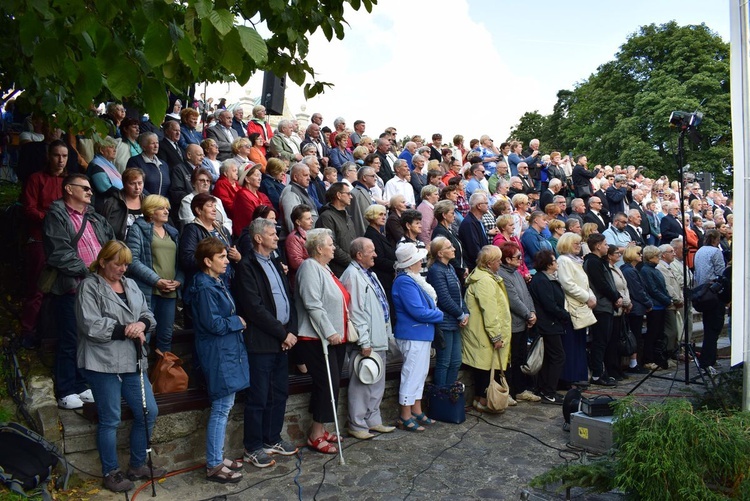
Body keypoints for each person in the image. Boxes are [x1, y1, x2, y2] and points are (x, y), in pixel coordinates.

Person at [75, 241, 165, 492]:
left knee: (149, 412)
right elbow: (90, 324)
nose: (123, 268)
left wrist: (143, 325)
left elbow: (149, 315)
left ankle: (137, 465)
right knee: (110, 418)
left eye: (126, 263)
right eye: (118, 263)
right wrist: (127, 329)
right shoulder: (89, 287)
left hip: (132, 359)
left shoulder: (132, 285)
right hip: (101, 361)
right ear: (103, 261)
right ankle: (111, 472)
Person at [232, 219, 299, 467]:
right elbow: (254, 308)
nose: (276, 237)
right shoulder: (246, 267)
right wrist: (282, 334)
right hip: (261, 343)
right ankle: (253, 446)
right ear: (258, 238)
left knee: (279, 393)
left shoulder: (273, 262)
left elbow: (288, 299)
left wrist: (290, 331)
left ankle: (272, 439)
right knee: (259, 397)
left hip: (282, 340)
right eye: (271, 233)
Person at [44, 174, 115, 409]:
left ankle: (82, 384)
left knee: (87, 337)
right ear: (69, 189)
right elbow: (58, 253)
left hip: (96, 287)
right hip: (72, 286)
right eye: (84, 188)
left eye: (90, 189)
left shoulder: (94, 216)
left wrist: (111, 266)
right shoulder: (56, 214)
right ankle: (66, 389)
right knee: (70, 338)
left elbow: (111, 243)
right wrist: (90, 271)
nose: (90, 192)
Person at [184, 237, 249, 483]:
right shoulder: (204, 288)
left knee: (226, 407)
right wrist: (238, 322)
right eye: (221, 257)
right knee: (221, 408)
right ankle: (213, 464)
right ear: (207, 261)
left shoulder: (215, 281)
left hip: (226, 351)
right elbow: (212, 324)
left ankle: (218, 456)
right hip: (217, 353)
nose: (226, 260)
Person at [295, 228, 350, 453]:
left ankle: (322, 427)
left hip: (334, 337)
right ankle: (315, 434)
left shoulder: (324, 268)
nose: (334, 248)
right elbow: (312, 303)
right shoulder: (309, 267)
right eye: (331, 244)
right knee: (326, 384)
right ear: (319, 248)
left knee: (331, 384)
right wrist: (329, 331)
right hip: (317, 338)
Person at [340, 238, 396, 439]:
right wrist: (364, 341)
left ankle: (373, 420)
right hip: (367, 340)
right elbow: (356, 311)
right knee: (362, 383)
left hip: (377, 337)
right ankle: (357, 424)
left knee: (376, 381)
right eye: (371, 251)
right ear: (359, 255)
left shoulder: (368, 273)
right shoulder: (353, 275)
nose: (375, 255)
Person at [20, 140, 66, 348]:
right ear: (49, 156)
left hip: (64, 241)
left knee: (64, 288)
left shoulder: (69, 181)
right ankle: (27, 331)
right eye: (57, 155)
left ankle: (56, 330)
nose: (60, 160)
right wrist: (50, 219)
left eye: (64, 156)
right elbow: (29, 209)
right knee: (37, 287)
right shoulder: (36, 179)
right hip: (40, 238)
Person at [392, 243, 443, 430]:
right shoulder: (404, 281)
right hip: (413, 333)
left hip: (421, 333)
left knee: (420, 373)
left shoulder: (412, 279)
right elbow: (418, 311)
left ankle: (417, 409)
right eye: (418, 259)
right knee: (411, 373)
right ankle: (405, 415)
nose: (422, 262)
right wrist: (439, 314)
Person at [125, 195, 182, 352]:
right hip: (148, 291)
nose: (166, 211)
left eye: (167, 208)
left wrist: (178, 281)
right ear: (151, 210)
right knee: (144, 335)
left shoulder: (173, 232)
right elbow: (132, 260)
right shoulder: (138, 229)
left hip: (170, 291)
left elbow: (180, 261)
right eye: (161, 208)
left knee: (166, 337)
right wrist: (156, 280)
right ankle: (141, 374)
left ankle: (163, 375)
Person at [462, 245, 512, 411]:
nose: (500, 263)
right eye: (498, 260)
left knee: (483, 367)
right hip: (483, 333)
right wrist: (496, 336)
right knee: (485, 368)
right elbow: (490, 311)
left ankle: (479, 399)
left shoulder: (484, 278)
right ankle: (483, 400)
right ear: (489, 263)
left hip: (482, 332)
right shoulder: (485, 281)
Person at [496, 242, 540, 402]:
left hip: (523, 322)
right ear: (507, 259)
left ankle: (521, 389)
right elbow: (513, 300)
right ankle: (510, 391)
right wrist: (528, 315)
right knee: (512, 360)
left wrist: (532, 312)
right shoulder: (503, 275)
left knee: (521, 358)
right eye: (518, 257)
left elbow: (526, 295)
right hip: (513, 324)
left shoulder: (516, 273)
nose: (521, 260)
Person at [528, 250, 570, 404]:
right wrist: (564, 315)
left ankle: (544, 389)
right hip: (548, 324)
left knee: (550, 357)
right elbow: (549, 305)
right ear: (548, 264)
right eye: (554, 260)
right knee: (558, 356)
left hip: (551, 323)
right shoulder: (541, 280)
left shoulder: (546, 279)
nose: (557, 262)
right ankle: (549, 391)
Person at [426, 237, 469, 388]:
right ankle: (441, 396)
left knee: (456, 360)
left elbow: (457, 293)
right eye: (449, 247)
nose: (454, 249)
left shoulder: (449, 268)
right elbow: (443, 297)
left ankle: (451, 394)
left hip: (455, 320)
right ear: (440, 253)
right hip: (444, 322)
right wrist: (460, 314)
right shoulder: (436, 271)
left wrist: (465, 312)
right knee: (444, 361)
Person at [554, 233, 594, 385]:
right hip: (572, 307)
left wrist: (591, 296)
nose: (578, 246)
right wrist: (586, 297)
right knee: (571, 344)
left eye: (579, 243)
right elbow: (568, 284)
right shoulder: (564, 261)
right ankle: (570, 377)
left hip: (581, 306)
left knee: (579, 343)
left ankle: (579, 375)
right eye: (575, 243)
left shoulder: (576, 261)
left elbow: (584, 282)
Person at [179, 193, 239, 291]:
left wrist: (237, 257)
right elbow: (187, 258)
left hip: (228, 281)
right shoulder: (192, 230)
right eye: (210, 206)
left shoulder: (223, 229)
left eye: (215, 206)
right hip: (206, 285)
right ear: (198, 210)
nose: (214, 209)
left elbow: (230, 251)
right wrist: (211, 261)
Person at [693, 230, 726, 375]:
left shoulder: (700, 250)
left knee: (709, 327)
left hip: (702, 291)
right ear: (715, 239)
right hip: (713, 292)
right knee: (714, 328)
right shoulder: (715, 251)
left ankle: (710, 358)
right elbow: (721, 272)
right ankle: (707, 361)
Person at [639, 245, 673, 371]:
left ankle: (658, 357)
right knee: (652, 333)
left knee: (659, 334)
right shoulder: (646, 270)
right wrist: (666, 299)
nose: (659, 258)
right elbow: (652, 289)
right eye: (656, 256)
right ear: (649, 257)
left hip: (661, 304)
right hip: (655, 306)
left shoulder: (656, 269)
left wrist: (667, 298)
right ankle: (648, 359)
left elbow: (662, 287)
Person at [620, 245, 652, 374]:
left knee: (636, 335)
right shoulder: (629, 271)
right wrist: (648, 303)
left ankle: (635, 362)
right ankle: (633, 363)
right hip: (635, 308)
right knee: (635, 335)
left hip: (637, 306)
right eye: (639, 253)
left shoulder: (631, 269)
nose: (641, 255)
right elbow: (637, 290)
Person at [607, 245, 632, 380]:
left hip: (623, 306)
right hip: (615, 308)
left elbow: (624, 286)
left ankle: (618, 368)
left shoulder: (617, 268)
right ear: (609, 255)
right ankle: (612, 369)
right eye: (616, 253)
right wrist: (624, 301)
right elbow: (613, 288)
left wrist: (628, 302)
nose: (619, 255)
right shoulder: (608, 269)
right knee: (612, 341)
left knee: (618, 339)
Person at [178, 167, 232, 232]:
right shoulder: (187, 200)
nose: (206, 183)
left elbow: (227, 221)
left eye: (208, 181)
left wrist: (223, 232)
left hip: (221, 236)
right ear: (193, 183)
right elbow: (190, 222)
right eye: (202, 180)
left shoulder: (216, 200)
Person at [363, 204, 396, 298]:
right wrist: (397, 265)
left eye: (385, 215)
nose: (383, 217)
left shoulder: (379, 233)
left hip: (388, 278)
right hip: (383, 279)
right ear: (372, 216)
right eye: (380, 214)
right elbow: (378, 260)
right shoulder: (371, 235)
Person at [126, 132, 170, 198]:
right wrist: (152, 200)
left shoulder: (163, 164)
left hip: (162, 205)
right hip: (144, 203)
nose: (156, 146)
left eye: (157, 143)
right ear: (143, 147)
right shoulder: (135, 161)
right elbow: (135, 185)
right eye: (152, 143)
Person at [233, 164, 272, 238]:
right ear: (247, 179)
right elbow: (253, 216)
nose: (260, 178)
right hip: (249, 236)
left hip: (263, 233)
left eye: (260, 175)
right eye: (256, 175)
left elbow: (272, 213)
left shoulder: (262, 195)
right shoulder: (242, 195)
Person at [432, 200, 467, 281]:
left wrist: (464, 266)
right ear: (444, 215)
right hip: (453, 273)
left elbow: (460, 250)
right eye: (452, 213)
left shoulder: (450, 230)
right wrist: (461, 270)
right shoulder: (440, 232)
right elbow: (447, 254)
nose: (454, 216)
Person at [88, 137, 122, 212]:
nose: (115, 150)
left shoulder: (109, 164)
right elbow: (105, 189)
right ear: (101, 150)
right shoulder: (96, 166)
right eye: (111, 147)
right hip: (104, 207)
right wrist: (125, 194)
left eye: (115, 147)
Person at [285, 204, 313, 289]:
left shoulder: (309, 233)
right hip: (303, 281)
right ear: (298, 222)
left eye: (311, 218)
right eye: (308, 219)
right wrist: (316, 264)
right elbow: (296, 262)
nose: (311, 221)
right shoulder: (293, 238)